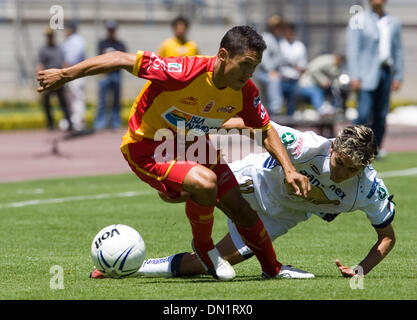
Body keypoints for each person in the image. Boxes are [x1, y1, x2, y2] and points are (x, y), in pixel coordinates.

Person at [37, 25, 311, 281]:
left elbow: (263, 128)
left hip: (193, 144)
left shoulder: (245, 90)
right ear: (224, 55)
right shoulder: (182, 71)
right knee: (205, 183)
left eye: (255, 67)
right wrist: (65, 75)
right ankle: (204, 249)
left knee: (241, 209)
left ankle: (273, 269)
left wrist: (289, 169)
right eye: (245, 65)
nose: (249, 73)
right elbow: (120, 57)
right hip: (148, 146)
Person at [91, 120, 395, 279]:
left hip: (278, 217)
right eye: (339, 161)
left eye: (351, 168)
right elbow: (256, 126)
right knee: (173, 194)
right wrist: (206, 125)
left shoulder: (368, 189)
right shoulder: (307, 146)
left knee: (210, 265)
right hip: (253, 179)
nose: (341, 172)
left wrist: (360, 270)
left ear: (365, 165)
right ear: (333, 148)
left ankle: (133, 267)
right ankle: (184, 181)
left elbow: (387, 237)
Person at [347, 0, 403, 153]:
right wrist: (354, 75)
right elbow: (353, 48)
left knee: (381, 114)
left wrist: (398, 75)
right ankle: (353, 147)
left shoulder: (393, 22)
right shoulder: (359, 19)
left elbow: (398, 50)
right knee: (363, 113)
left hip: (386, 72)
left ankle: (374, 150)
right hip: (365, 74)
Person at [37, 26, 73, 131]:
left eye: (50, 35)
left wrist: (69, 73)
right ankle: (51, 124)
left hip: (59, 79)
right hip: (48, 80)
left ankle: (69, 123)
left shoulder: (59, 48)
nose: (49, 37)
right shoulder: (43, 49)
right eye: (47, 36)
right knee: (46, 103)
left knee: (63, 102)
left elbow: (64, 62)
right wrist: (40, 79)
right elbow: (40, 65)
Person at [94, 20, 127, 130]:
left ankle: (115, 122)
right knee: (102, 100)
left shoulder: (120, 44)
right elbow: (98, 59)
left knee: (116, 101)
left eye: (113, 29)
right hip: (105, 75)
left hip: (116, 75)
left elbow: (124, 59)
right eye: (109, 29)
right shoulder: (102, 43)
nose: (111, 31)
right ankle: (100, 123)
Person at [253, 15, 285, 115]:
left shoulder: (278, 39)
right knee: (274, 80)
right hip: (264, 72)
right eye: (275, 26)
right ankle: (276, 111)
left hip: (276, 71)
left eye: (279, 26)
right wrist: (271, 70)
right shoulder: (267, 37)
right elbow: (264, 58)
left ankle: (275, 112)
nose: (278, 28)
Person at [62, 21, 87, 131]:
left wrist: (63, 69)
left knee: (77, 98)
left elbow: (71, 58)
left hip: (75, 73)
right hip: (72, 73)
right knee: (71, 99)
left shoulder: (76, 41)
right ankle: (72, 121)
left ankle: (78, 123)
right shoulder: (72, 40)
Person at [278, 23, 307, 116]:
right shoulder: (280, 45)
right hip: (281, 79)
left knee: (291, 104)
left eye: (291, 31)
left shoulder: (299, 46)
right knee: (278, 104)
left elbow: (302, 65)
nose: (289, 33)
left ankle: (289, 123)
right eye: (287, 31)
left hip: (294, 79)